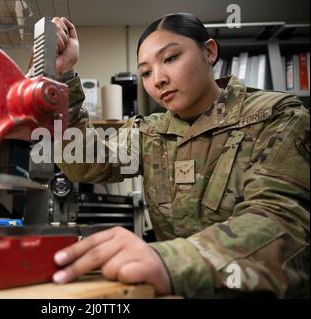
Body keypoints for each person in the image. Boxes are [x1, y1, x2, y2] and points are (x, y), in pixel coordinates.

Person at [47, 13, 310, 298]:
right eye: (146, 72)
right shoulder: (151, 132)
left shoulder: (277, 116)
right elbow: (83, 165)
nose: (158, 79)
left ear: (209, 52)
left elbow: (283, 223)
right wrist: (63, 79)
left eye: (170, 58)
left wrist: (170, 261)